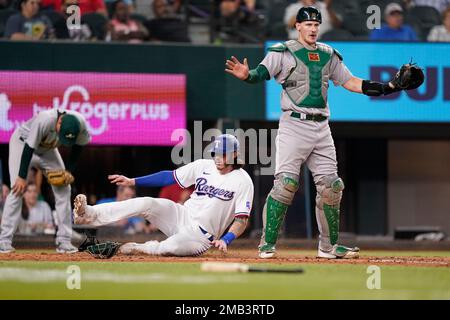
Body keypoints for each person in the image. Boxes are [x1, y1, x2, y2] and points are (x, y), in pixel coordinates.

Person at [225, 6, 422, 259]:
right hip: (294, 124)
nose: (313, 28)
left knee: (332, 187)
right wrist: (247, 75)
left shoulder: (329, 54)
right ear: (297, 26)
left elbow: (351, 82)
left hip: (321, 126)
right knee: (285, 185)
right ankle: (267, 244)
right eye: (308, 24)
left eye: (316, 24)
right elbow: (260, 74)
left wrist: (389, 86)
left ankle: (328, 247)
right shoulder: (282, 51)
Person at [73, 134, 254, 257]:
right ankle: (88, 214)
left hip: (200, 236)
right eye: (215, 153)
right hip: (181, 214)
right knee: (146, 203)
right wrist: (133, 181)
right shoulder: (203, 166)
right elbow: (169, 176)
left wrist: (226, 239)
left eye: (223, 154)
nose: (217, 158)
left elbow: (241, 220)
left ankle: (140, 248)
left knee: (170, 247)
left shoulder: (242, 181)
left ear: (234, 155)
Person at [0, 109, 90, 254]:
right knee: (17, 189)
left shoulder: (81, 124)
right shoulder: (45, 119)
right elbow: (29, 148)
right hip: (22, 144)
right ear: (59, 121)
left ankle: (64, 241)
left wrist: (68, 171)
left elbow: (79, 147)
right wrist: (22, 177)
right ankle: (3, 242)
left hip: (47, 149)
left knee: (64, 188)